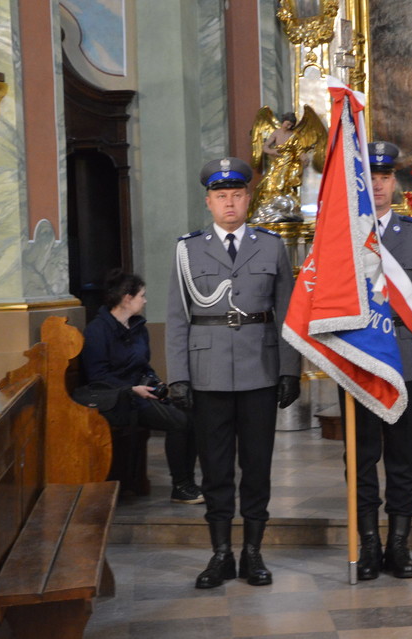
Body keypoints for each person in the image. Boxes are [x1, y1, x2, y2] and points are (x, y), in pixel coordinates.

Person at [166, 156, 302, 589]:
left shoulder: (271, 245)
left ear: (248, 198)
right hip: (207, 374)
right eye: (221, 196)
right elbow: (176, 316)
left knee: (257, 467)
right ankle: (221, 553)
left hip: (260, 370)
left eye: (237, 195)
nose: (229, 203)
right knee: (217, 469)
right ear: (209, 202)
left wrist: (290, 370)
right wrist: (179, 377)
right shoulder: (188, 249)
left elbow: (287, 313)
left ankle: (253, 553)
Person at [342, 141, 412, 581]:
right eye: (371, 178)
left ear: (395, 183)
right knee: (361, 459)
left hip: (402, 363)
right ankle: (368, 543)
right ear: (361, 185)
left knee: (402, 459)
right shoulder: (342, 236)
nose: (378, 185)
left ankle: (398, 545)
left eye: (385, 177)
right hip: (357, 362)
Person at [81, 269, 203, 504]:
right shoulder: (98, 330)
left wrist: (154, 381)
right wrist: (132, 389)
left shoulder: (137, 327)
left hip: (139, 393)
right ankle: (181, 486)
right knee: (178, 422)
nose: (145, 301)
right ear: (127, 298)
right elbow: (98, 376)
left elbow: (143, 365)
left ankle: (188, 482)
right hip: (116, 398)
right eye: (142, 296)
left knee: (192, 414)